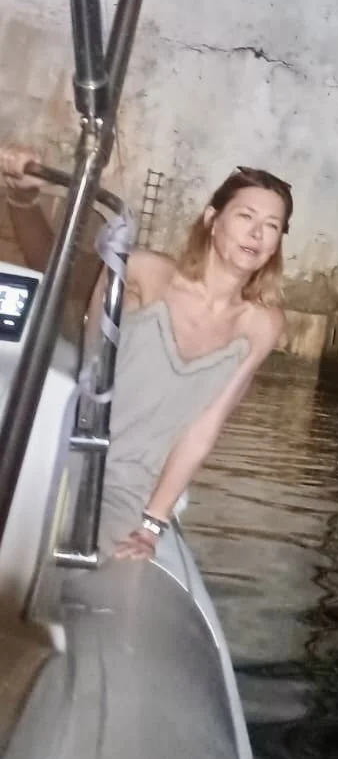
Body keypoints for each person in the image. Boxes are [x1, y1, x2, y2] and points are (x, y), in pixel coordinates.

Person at [0, 146, 289, 562]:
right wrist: (23, 199)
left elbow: (205, 428)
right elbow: (58, 270)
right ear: (212, 220)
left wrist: (153, 523)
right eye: (246, 216)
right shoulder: (143, 273)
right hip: (66, 454)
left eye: (272, 225)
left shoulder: (262, 324)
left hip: (130, 487)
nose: (257, 234)